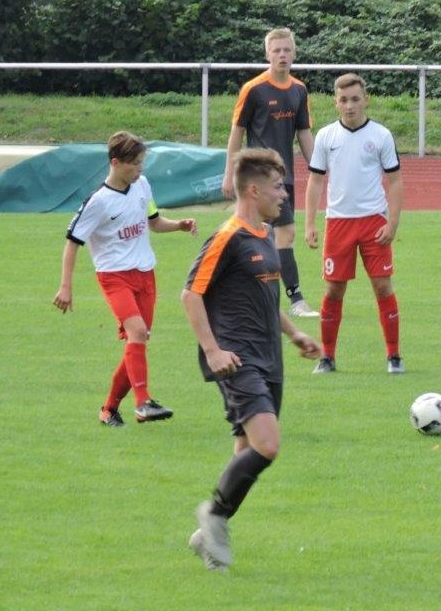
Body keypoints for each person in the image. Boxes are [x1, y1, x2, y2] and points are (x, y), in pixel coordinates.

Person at [182, 148, 323, 572]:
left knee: (245, 451)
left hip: (270, 358)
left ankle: (207, 536)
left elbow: (266, 297)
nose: (285, 194)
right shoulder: (227, 237)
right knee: (268, 444)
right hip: (237, 359)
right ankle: (213, 517)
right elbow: (190, 294)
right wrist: (213, 350)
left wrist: (294, 334)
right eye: (278, 187)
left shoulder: (264, 234)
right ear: (254, 190)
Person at [53, 130, 197, 427]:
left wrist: (179, 225)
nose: (140, 169)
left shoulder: (142, 185)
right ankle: (143, 403)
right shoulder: (98, 202)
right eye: (135, 164)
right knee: (137, 332)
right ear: (116, 163)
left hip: (146, 275)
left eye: (142, 163)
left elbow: (154, 222)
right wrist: (66, 286)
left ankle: (109, 410)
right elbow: (72, 242)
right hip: (114, 277)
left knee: (138, 339)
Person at [304, 73, 404, 375]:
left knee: (382, 286)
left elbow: (395, 181)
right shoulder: (325, 136)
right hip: (338, 223)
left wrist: (392, 223)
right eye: (344, 100)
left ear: (366, 100)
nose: (350, 106)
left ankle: (394, 356)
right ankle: (327, 357)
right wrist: (310, 223)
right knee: (334, 290)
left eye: (355, 99)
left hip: (374, 222)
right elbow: (315, 181)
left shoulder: (381, 135)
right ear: (336, 102)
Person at [222, 27, 317, 318]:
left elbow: (304, 132)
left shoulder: (299, 90)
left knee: (268, 237)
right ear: (267, 54)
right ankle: (295, 299)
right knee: (279, 233)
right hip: (258, 178)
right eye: (277, 50)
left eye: (287, 50)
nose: (282, 55)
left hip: (284, 177)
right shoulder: (254, 89)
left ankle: (259, 298)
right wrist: (230, 173)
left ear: (294, 53)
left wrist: (318, 167)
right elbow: (237, 132)